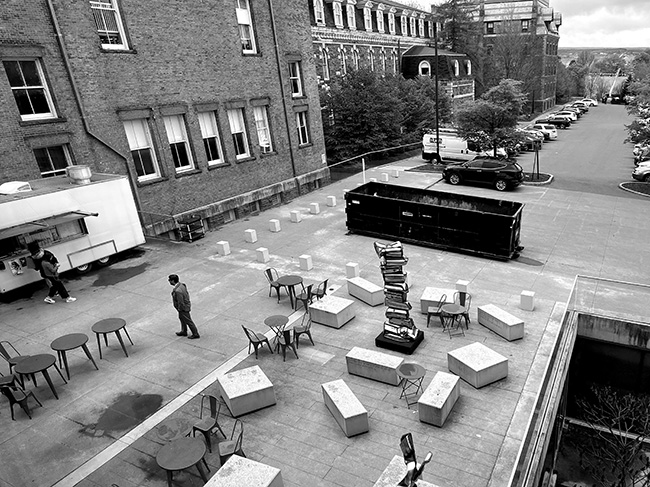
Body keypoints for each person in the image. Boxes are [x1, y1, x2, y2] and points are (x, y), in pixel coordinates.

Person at [168, 274, 200, 339]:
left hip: (183, 308)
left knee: (188, 320)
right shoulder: (182, 285)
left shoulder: (177, 291)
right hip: (185, 306)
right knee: (182, 318)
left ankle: (195, 333)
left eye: (170, 280)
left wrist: (180, 309)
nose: (169, 281)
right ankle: (184, 331)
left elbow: (181, 302)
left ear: (173, 281)